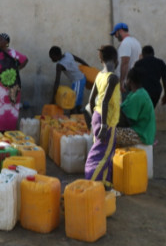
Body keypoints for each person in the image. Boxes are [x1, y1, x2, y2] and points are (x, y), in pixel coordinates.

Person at [85, 45, 121, 190]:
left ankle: (105, 182)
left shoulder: (100, 75)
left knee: (105, 151)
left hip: (97, 116)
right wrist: (104, 126)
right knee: (102, 154)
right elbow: (105, 101)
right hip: (107, 121)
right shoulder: (113, 78)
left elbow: (91, 100)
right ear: (115, 59)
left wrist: (92, 121)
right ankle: (91, 181)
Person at [115, 67, 156, 147]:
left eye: (126, 79)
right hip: (140, 130)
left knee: (108, 133)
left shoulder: (138, 96)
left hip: (141, 134)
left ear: (130, 80)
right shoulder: (135, 93)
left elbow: (126, 121)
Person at [49, 46, 89, 114]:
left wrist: (53, 98)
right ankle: (81, 120)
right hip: (81, 79)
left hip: (78, 81)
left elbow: (57, 81)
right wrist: (88, 66)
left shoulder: (60, 65)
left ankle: (75, 122)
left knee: (73, 105)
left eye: (52, 57)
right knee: (76, 104)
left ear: (56, 55)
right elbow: (79, 59)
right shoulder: (68, 54)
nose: (51, 59)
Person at [110, 22, 142, 94]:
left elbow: (125, 62)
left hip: (125, 82)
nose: (115, 36)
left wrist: (121, 82)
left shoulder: (125, 43)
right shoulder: (136, 42)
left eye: (115, 33)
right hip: (133, 80)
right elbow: (140, 59)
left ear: (120, 31)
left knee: (123, 104)